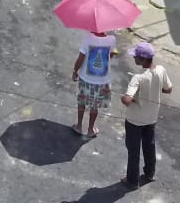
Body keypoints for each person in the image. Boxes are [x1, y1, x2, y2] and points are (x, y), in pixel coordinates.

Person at [120, 41, 172, 190]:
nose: (134, 59)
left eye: (136, 57)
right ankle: (149, 173)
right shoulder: (161, 70)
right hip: (151, 118)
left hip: (134, 121)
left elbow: (127, 100)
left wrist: (124, 98)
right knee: (150, 146)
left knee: (133, 150)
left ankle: (132, 180)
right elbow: (168, 89)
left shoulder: (138, 77)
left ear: (142, 59)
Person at [72, 30, 116, 138]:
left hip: (86, 78)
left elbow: (80, 58)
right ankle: (90, 129)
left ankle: (79, 125)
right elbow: (110, 56)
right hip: (102, 80)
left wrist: (75, 71)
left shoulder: (88, 38)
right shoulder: (112, 40)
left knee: (82, 102)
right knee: (95, 106)